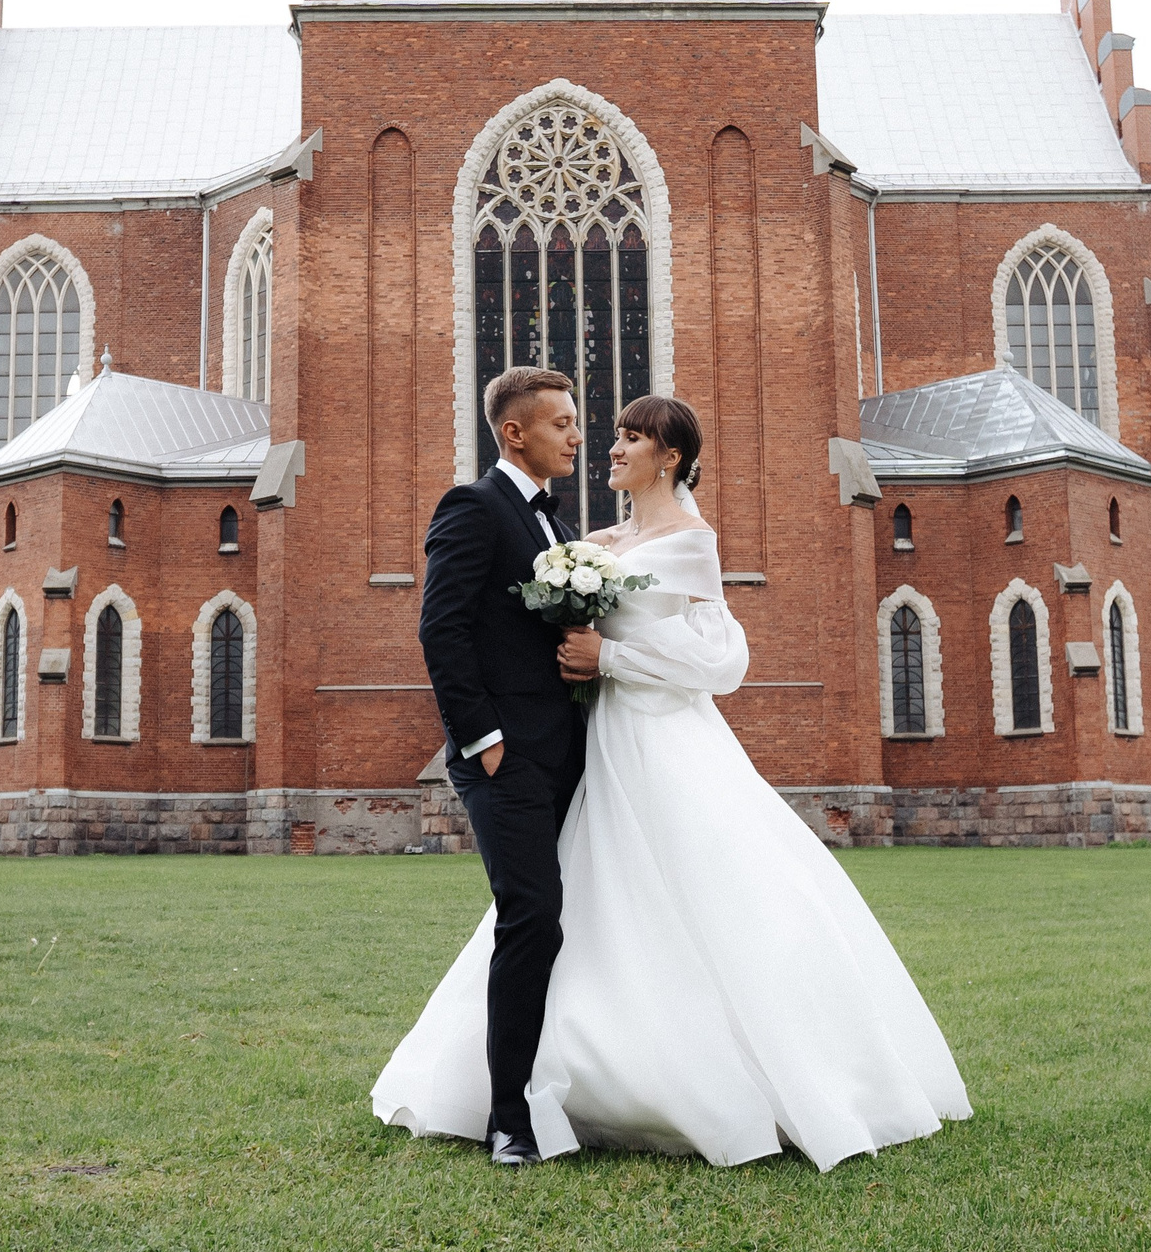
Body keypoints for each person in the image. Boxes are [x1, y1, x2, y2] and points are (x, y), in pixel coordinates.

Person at [374, 394, 973, 1171]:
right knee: (581, 904)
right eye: (612, 433)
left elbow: (721, 661)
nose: (611, 446)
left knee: (711, 898)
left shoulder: (693, 542)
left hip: (665, 741)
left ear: (672, 459)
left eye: (631, 438)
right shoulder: (583, 539)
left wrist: (613, 659)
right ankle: (545, 1083)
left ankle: (741, 1073)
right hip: (595, 745)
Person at [410, 366, 598, 1167]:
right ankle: (507, 1116)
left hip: (567, 750)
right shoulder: (472, 507)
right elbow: (440, 628)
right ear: (514, 432)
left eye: (576, 421)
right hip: (504, 757)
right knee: (531, 915)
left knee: (552, 918)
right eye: (560, 422)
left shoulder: (557, 527)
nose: (576, 434)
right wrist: (480, 737)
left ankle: (568, 1079)